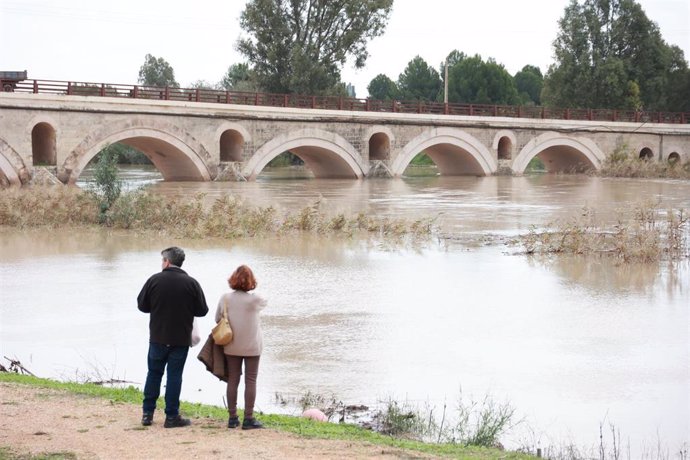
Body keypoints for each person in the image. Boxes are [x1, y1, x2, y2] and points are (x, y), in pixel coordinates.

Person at [137, 246, 209, 428]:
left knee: (153, 373)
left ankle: (147, 414)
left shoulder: (154, 280)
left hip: (158, 337)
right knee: (174, 376)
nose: (161, 263)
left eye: (162, 260)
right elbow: (202, 311)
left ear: (167, 261)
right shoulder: (191, 283)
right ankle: (171, 416)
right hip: (180, 339)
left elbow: (142, 306)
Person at [217, 264, 267, 430]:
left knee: (233, 379)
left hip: (232, 345)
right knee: (250, 380)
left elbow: (217, 318)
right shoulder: (255, 300)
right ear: (251, 281)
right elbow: (265, 300)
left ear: (232, 279)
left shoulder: (225, 298)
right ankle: (248, 418)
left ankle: (232, 418)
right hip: (252, 346)